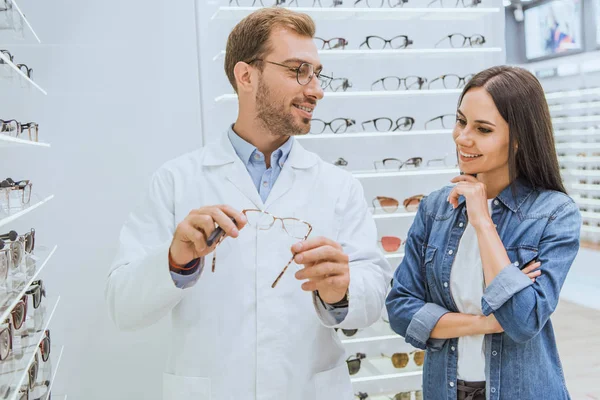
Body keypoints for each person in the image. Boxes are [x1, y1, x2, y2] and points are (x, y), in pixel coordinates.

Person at [105, 7, 391, 400]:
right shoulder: (177, 180)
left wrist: (342, 291)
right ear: (246, 76)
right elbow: (123, 306)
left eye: (317, 73)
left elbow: (373, 297)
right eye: (297, 70)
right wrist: (175, 261)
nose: (316, 89)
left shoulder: (339, 187)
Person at [386, 66, 581, 400]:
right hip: (445, 391)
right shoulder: (435, 209)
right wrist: (487, 322)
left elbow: (522, 321)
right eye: (461, 121)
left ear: (519, 139)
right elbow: (401, 310)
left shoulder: (554, 214)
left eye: (483, 129)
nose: (463, 137)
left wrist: (483, 222)